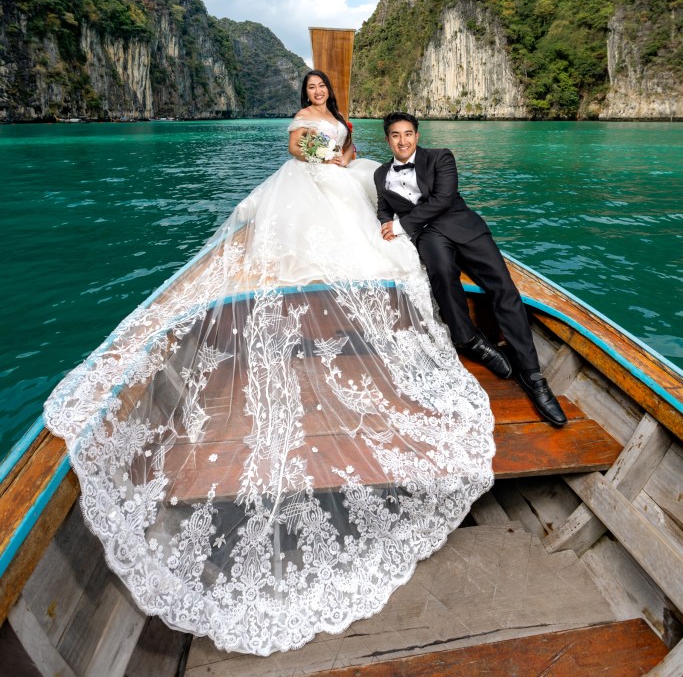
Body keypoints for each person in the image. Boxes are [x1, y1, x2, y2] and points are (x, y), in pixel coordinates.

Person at [44, 72, 495, 657]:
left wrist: (343, 155)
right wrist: (320, 156)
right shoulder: (301, 125)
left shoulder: (341, 120)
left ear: (326, 91)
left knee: (360, 186)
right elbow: (297, 150)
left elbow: (349, 151)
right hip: (303, 181)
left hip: (333, 172)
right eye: (308, 90)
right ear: (303, 97)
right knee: (323, 219)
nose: (313, 95)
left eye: (318, 89)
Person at [375, 111, 567, 427]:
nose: (403, 140)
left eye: (408, 133)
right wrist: (386, 223)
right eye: (396, 135)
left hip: (463, 226)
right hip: (429, 236)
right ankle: (470, 341)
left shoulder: (440, 157)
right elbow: (384, 207)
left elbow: (444, 198)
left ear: (417, 136)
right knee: (441, 276)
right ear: (388, 140)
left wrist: (401, 225)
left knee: (504, 290)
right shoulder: (381, 174)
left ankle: (533, 376)